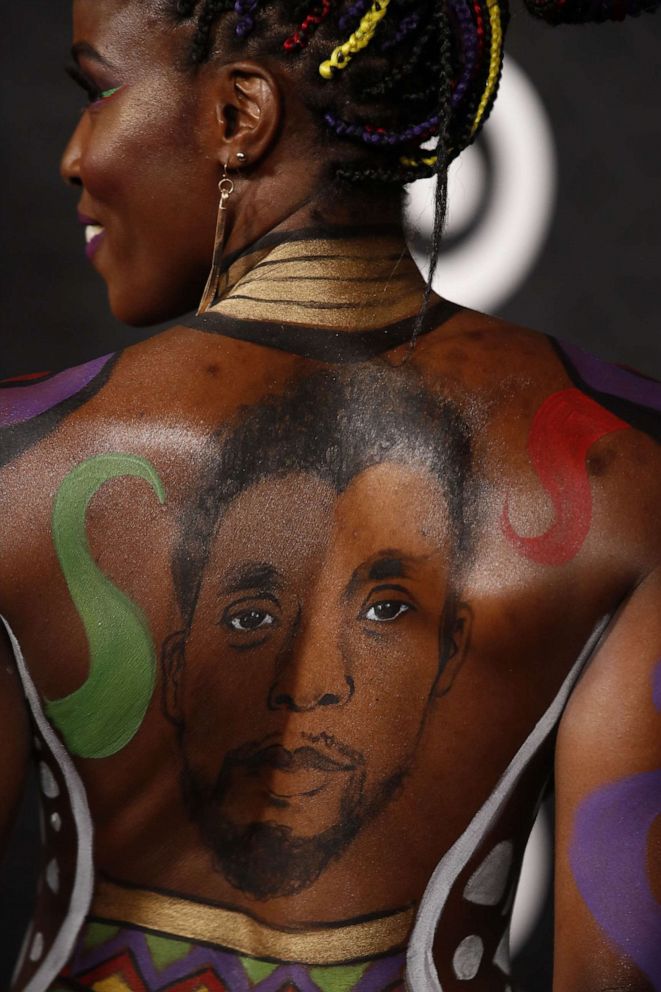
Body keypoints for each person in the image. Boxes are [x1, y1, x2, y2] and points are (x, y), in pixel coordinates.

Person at [0, 2, 659, 992]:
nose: (73, 154)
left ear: (239, 116)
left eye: (96, 93)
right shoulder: (634, 474)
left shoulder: (18, 463)